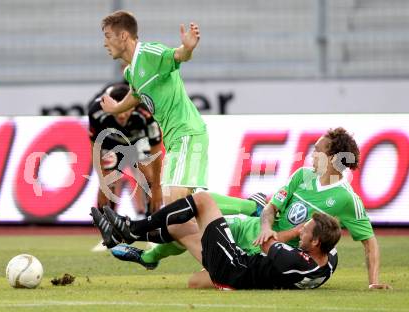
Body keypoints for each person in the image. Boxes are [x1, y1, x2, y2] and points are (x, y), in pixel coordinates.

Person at [94, 127, 391, 290]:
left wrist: (374, 281)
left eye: (319, 150)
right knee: (193, 213)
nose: (312, 153)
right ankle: (143, 248)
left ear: (334, 158)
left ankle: (141, 245)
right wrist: (264, 224)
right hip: (256, 233)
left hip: (268, 251)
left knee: (195, 275)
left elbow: (370, 243)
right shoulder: (303, 176)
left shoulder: (346, 199)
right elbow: (272, 207)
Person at [98, 11, 209, 262]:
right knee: (176, 219)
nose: (104, 43)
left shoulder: (150, 53)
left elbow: (177, 56)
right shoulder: (130, 71)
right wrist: (116, 108)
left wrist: (187, 48)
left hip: (187, 134)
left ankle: (248, 214)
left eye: (108, 36)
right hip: (175, 141)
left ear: (123, 36)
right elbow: (136, 94)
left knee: (177, 214)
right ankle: (214, 265)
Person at [91, 192, 341, 290]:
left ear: (316, 242)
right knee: (183, 230)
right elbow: (330, 250)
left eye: (304, 231)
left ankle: (132, 230)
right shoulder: (328, 262)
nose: (299, 232)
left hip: (234, 266)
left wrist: (268, 224)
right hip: (240, 276)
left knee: (203, 201)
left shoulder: (292, 259)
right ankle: (122, 239)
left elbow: (264, 240)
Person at [88, 83, 162, 215]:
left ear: (133, 105)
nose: (121, 116)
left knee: (149, 176)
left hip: (138, 140)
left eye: (125, 110)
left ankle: (152, 226)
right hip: (112, 141)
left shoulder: (147, 111)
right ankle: (108, 229)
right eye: (117, 111)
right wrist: (102, 183)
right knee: (109, 181)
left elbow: (156, 150)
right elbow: (95, 149)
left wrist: (156, 187)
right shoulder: (96, 112)